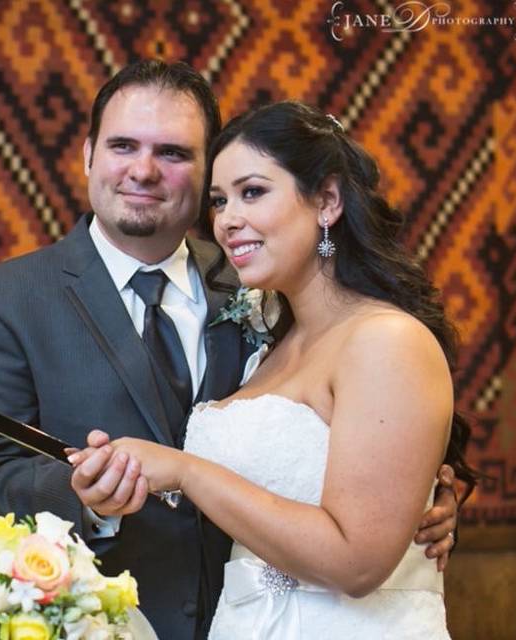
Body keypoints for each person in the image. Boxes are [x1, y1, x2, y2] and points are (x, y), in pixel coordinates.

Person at [0, 61, 458, 639]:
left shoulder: (265, 282)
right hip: (105, 623)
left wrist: (422, 503)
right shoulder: (4, 300)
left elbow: (373, 436)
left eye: (172, 153)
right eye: (122, 146)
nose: (143, 170)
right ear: (89, 153)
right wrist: (85, 498)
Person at [71, 100, 476, 638]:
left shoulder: (386, 339)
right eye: (218, 200)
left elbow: (357, 563)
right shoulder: (268, 346)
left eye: (252, 192)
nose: (228, 219)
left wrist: (186, 470)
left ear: (327, 200)